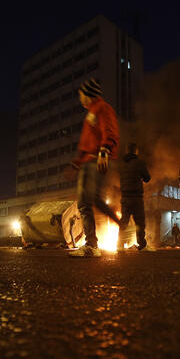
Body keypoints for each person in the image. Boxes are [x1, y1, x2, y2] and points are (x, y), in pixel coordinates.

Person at [66, 78, 120, 258]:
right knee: (85, 203)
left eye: (81, 94)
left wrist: (104, 150)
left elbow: (110, 130)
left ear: (88, 94)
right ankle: (91, 245)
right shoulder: (90, 113)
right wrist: (76, 163)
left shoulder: (102, 108)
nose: (80, 98)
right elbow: (85, 144)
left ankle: (95, 242)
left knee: (91, 200)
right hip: (88, 162)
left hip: (97, 160)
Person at [117, 142, 154, 252]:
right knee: (139, 222)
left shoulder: (122, 165)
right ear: (136, 151)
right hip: (136, 197)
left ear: (126, 151)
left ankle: (119, 245)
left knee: (124, 222)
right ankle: (142, 245)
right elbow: (147, 178)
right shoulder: (139, 163)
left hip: (124, 197)